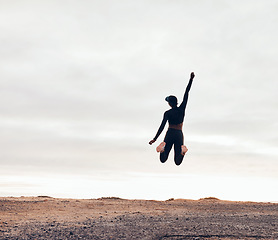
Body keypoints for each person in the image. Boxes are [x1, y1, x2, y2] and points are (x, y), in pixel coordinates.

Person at [149, 72, 195, 165]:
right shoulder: (182, 109)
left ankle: (162, 150)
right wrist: (191, 79)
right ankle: (182, 152)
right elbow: (187, 93)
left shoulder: (167, 113)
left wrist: (155, 138)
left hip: (170, 133)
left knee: (163, 159)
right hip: (179, 134)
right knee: (177, 161)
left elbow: (162, 126)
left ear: (169, 103)